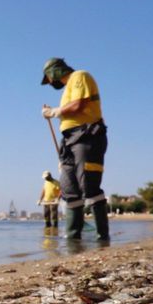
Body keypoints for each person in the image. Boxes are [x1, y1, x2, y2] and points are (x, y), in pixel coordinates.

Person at [40, 58, 109, 240]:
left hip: (87, 135)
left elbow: (78, 105)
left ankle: (102, 238)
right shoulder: (66, 90)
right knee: (69, 187)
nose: (51, 83)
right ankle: (73, 240)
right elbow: (68, 110)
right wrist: (56, 112)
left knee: (89, 185)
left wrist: (54, 112)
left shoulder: (80, 76)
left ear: (54, 72)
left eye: (49, 78)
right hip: (69, 140)